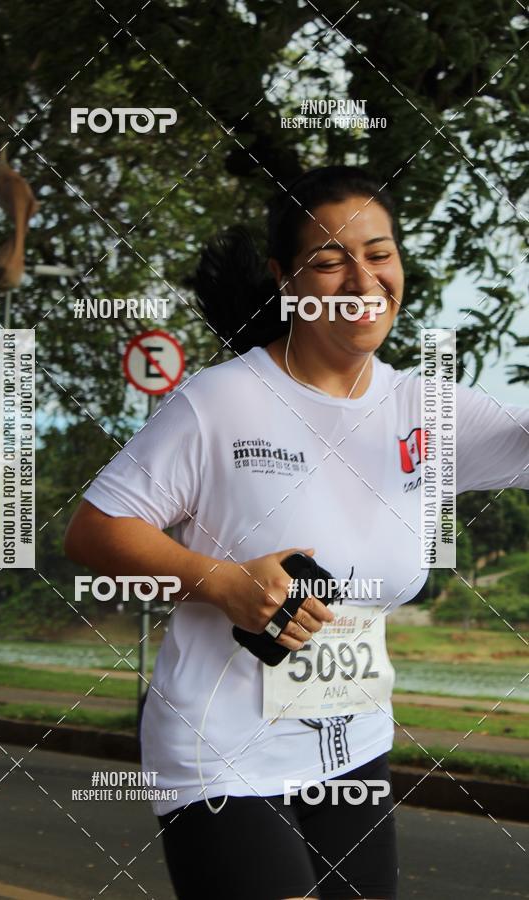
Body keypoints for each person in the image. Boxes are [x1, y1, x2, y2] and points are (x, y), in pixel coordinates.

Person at [64, 166, 529, 900]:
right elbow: (93, 533)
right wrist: (223, 582)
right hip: (220, 750)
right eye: (330, 260)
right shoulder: (221, 402)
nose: (362, 279)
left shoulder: (427, 411)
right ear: (286, 279)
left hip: (354, 750)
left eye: (379, 254)